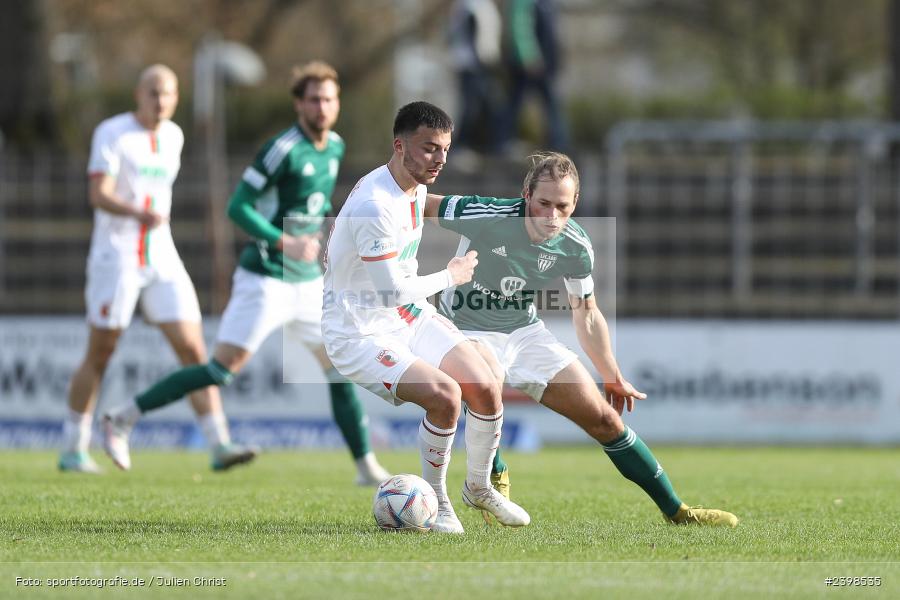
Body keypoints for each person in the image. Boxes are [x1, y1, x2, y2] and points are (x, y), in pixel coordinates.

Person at [102, 61, 391, 486]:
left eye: (329, 99)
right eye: (314, 99)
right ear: (298, 104)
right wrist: (282, 241)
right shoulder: (282, 149)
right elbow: (237, 206)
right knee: (221, 370)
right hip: (266, 279)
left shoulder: (335, 147)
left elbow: (309, 209)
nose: (322, 107)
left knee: (336, 366)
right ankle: (123, 417)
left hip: (307, 282)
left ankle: (366, 467)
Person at [424, 152, 739, 527]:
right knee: (485, 382)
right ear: (526, 193)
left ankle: (677, 510)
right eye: (543, 204)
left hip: (524, 333)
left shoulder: (575, 245)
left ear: (576, 204)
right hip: (464, 329)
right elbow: (418, 203)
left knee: (605, 419)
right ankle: (493, 474)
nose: (551, 217)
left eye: (562, 206)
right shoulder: (487, 214)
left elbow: (587, 313)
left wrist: (612, 373)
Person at [321, 101, 530, 533]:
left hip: (405, 314)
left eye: (445, 150)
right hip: (358, 330)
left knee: (486, 382)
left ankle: (478, 486)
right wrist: (450, 275)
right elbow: (388, 290)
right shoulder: (373, 206)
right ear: (400, 147)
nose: (439, 159)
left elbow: (429, 207)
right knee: (446, 395)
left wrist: (501, 210)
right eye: (429, 148)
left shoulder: (409, 183)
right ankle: (437, 499)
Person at [60, 65, 255, 473]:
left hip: (161, 255)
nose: (160, 101)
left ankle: (219, 443)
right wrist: (136, 212)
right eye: (153, 92)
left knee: (193, 348)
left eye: (167, 93)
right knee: (102, 350)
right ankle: (74, 446)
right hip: (117, 255)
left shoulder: (174, 136)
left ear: (177, 97)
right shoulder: (112, 133)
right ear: (138, 94)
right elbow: (98, 194)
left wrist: (151, 219)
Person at [498, 0, 568, 152]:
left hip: (545, 63)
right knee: (515, 103)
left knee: (550, 104)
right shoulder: (524, 2)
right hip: (529, 62)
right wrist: (528, 56)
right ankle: (502, 142)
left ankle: (559, 143)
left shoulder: (547, 4)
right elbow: (520, 28)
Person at [448, 0, 503, 154]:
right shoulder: (471, 5)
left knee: (487, 106)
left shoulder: (479, 5)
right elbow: (473, 35)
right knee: (471, 107)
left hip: (480, 63)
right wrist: (481, 59)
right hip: (472, 64)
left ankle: (490, 145)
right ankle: (460, 145)